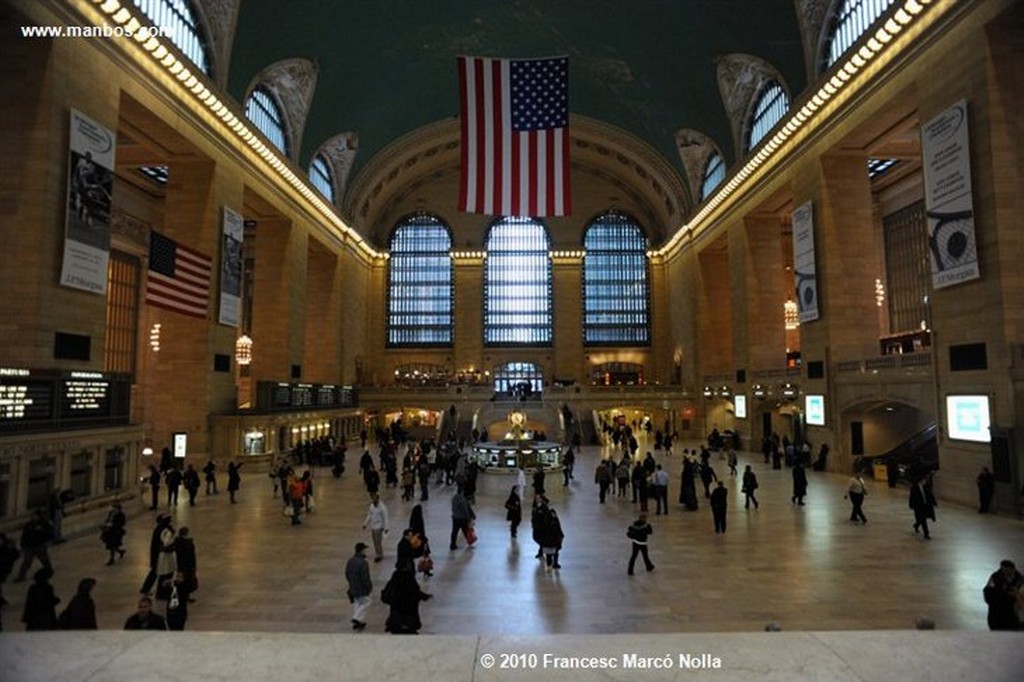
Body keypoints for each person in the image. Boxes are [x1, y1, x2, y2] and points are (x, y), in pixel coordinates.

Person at [382, 566, 431, 634]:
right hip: (410, 619)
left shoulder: (394, 583)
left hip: (396, 619)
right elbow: (417, 593)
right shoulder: (411, 582)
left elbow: (385, 597)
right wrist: (425, 596)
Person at [140, 513, 175, 596]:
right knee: (160, 572)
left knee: (155, 572)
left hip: (156, 554)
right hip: (161, 556)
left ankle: (146, 588)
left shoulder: (159, 528)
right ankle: (159, 591)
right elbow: (167, 543)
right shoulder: (165, 530)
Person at [14, 509, 53, 582]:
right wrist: (23, 544)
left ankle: (49, 571)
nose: (33, 517)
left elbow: (49, 533)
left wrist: (42, 531)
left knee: (44, 560)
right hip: (29, 546)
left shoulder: (44, 524)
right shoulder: (29, 525)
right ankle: (21, 576)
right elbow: (24, 535)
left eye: (35, 516)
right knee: (26, 562)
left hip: (39, 546)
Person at [983, 559, 1023, 630]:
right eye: (1003, 570)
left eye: (1008, 570)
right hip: (997, 617)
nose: (1005, 573)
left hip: (1012, 618)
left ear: (1012, 569)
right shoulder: (995, 578)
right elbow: (988, 594)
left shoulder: (1019, 579)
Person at [345, 542, 372, 631]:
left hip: (353, 586)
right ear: (362, 550)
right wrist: (369, 586)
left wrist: (351, 582)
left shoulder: (351, 560)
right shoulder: (363, 562)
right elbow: (365, 577)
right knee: (366, 602)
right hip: (361, 587)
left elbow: (347, 573)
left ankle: (358, 620)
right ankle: (356, 618)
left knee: (357, 602)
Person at [362, 493, 390, 562]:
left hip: (379, 526)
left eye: (375, 499)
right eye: (372, 499)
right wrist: (365, 523)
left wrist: (386, 527)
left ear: (378, 499)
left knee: (378, 541)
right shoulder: (371, 506)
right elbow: (369, 515)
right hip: (373, 526)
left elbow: (385, 517)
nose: (373, 500)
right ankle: (377, 552)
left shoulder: (382, 507)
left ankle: (379, 554)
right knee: (375, 541)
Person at [909, 474, 937, 539]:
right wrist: (911, 505)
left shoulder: (926, 487)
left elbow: (930, 495)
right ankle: (926, 534)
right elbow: (911, 497)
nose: (925, 481)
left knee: (922, 518)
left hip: (925, 506)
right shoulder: (914, 488)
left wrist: (934, 502)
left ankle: (916, 525)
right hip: (918, 506)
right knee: (923, 519)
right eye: (924, 480)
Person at [174, 527, 198, 598]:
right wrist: (194, 565)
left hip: (180, 564)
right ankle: (186, 595)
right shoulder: (188, 543)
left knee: (182, 579)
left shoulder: (177, 541)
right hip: (188, 564)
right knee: (188, 580)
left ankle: (183, 594)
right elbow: (192, 555)